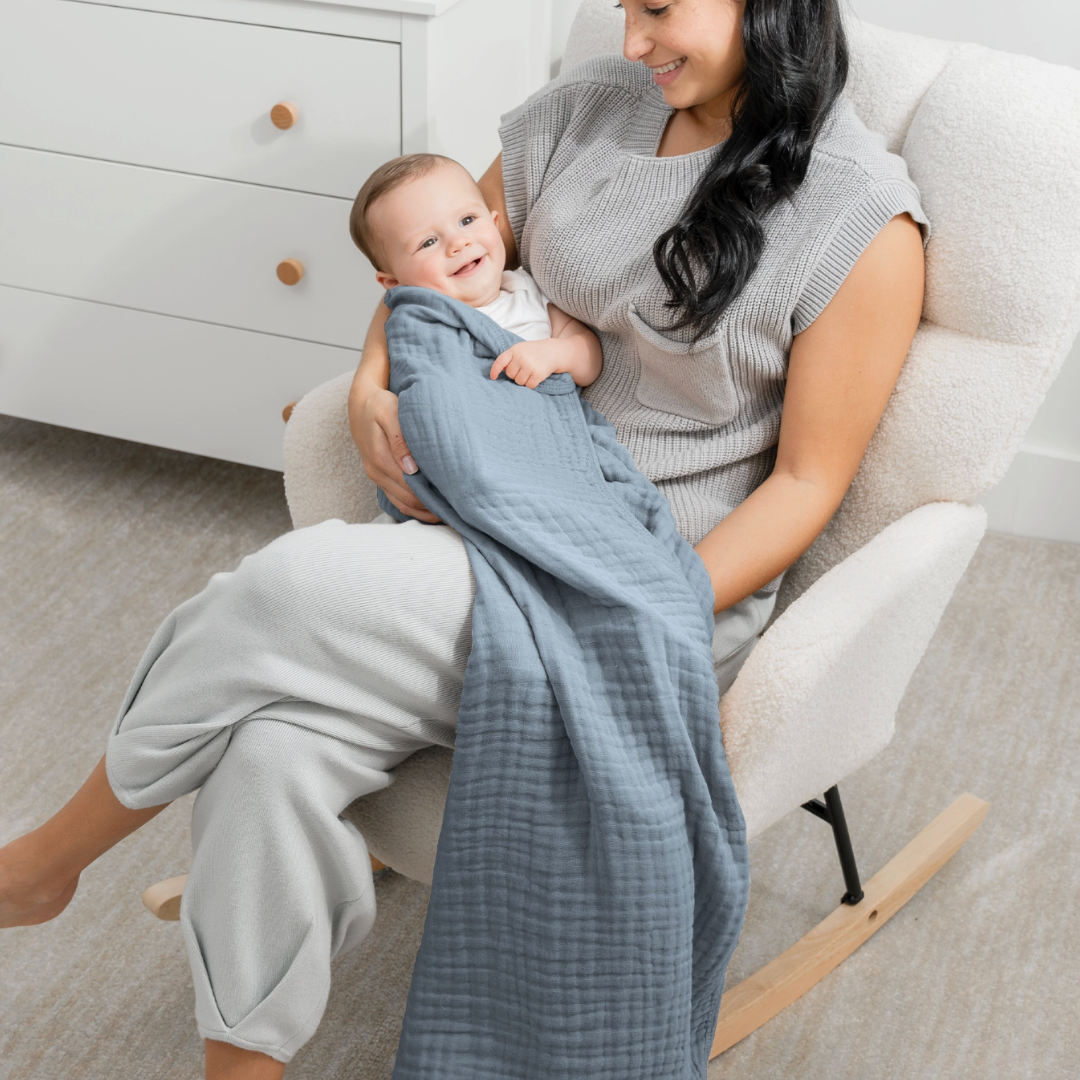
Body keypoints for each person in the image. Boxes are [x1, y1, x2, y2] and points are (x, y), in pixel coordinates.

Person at [0, 2, 926, 1078]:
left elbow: (810, 483)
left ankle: (41, 866)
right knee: (269, 755)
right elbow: (428, 262)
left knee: (288, 591)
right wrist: (363, 387)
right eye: (625, 8)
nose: (631, 41)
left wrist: (650, 603)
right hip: (489, 513)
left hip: (643, 572)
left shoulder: (861, 223)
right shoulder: (583, 115)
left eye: (660, 9)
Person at [348, 151, 603, 391]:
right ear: (393, 283)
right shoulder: (417, 325)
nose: (459, 243)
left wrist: (553, 353)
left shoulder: (526, 292)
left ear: (495, 224)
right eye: (428, 242)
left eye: (467, 221)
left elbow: (588, 356)